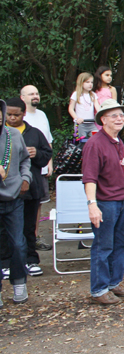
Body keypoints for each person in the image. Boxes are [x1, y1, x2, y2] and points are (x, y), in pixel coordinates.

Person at [82, 99, 124, 305]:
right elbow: (89, 177)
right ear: (102, 120)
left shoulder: (118, 142)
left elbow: (121, 173)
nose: (119, 119)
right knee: (103, 246)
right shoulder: (95, 144)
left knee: (121, 244)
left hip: (122, 201)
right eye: (114, 115)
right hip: (105, 203)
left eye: (121, 115)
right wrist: (92, 204)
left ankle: (114, 282)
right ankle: (99, 290)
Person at [0, 98, 51, 277]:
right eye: (9, 114)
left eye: (17, 115)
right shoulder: (3, 133)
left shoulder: (34, 133)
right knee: (5, 230)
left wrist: (37, 153)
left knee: (29, 227)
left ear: (24, 114)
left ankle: (31, 260)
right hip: (6, 190)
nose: (12, 118)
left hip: (30, 187)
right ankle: (6, 262)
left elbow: (47, 155)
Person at [0, 100, 32, 307]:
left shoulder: (13, 135)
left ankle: (19, 282)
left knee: (19, 244)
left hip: (13, 197)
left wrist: (25, 178)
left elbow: (24, 160)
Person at [20, 85, 54, 248]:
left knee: (38, 203)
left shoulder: (42, 115)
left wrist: (50, 163)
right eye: (31, 94)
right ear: (22, 98)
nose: (35, 96)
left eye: (37, 93)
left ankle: (34, 237)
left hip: (41, 166)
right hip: (22, 170)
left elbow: (48, 142)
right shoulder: (18, 117)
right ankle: (20, 238)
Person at [69, 72, 101, 139]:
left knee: (97, 138)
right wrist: (76, 118)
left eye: (91, 82)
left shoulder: (93, 95)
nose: (90, 84)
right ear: (81, 83)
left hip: (91, 124)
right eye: (87, 82)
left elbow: (97, 107)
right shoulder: (76, 94)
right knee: (82, 140)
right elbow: (70, 109)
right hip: (81, 124)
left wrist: (101, 115)